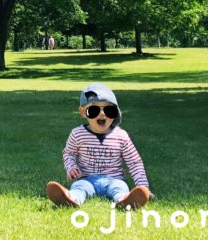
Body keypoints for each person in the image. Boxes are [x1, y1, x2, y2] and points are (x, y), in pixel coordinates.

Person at [45, 83, 152, 211]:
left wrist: (143, 186)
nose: (102, 115)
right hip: (87, 179)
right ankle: (71, 199)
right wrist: (71, 167)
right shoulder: (77, 134)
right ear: (83, 112)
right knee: (79, 187)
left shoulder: (121, 136)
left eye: (109, 110)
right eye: (94, 110)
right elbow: (69, 153)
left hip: (114, 179)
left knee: (120, 188)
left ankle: (125, 200)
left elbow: (134, 162)